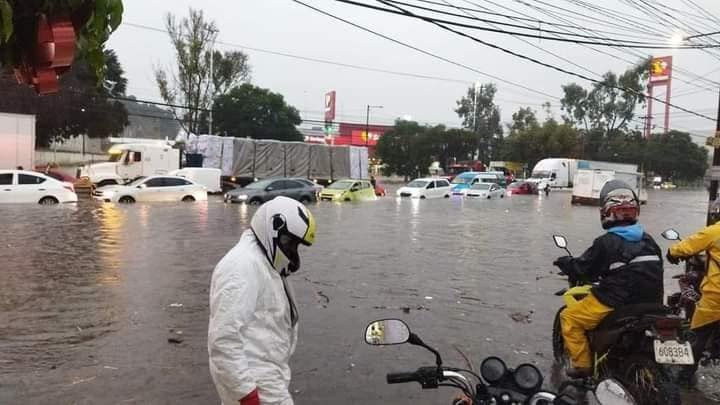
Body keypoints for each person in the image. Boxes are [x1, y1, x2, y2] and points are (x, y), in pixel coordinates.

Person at [208, 196, 316, 405]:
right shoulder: (241, 266)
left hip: (264, 374)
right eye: (290, 243)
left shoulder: (263, 262)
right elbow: (223, 338)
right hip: (255, 381)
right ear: (275, 229)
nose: (293, 251)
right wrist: (246, 393)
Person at [554, 180, 664, 378]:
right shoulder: (649, 240)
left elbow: (583, 269)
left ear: (606, 213)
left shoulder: (606, 242)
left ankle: (583, 366)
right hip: (652, 302)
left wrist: (565, 262)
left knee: (569, 319)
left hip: (617, 301)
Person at [667, 199, 720, 384]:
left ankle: (685, 377)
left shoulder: (715, 231)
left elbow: (687, 245)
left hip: (716, 297)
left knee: (698, 334)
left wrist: (672, 252)